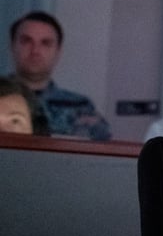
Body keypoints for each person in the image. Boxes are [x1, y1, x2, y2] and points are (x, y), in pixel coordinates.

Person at [8, 11, 111, 140]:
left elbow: (102, 152)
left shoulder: (79, 106)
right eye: (26, 41)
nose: (35, 50)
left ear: (58, 51)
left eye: (45, 43)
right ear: (12, 46)